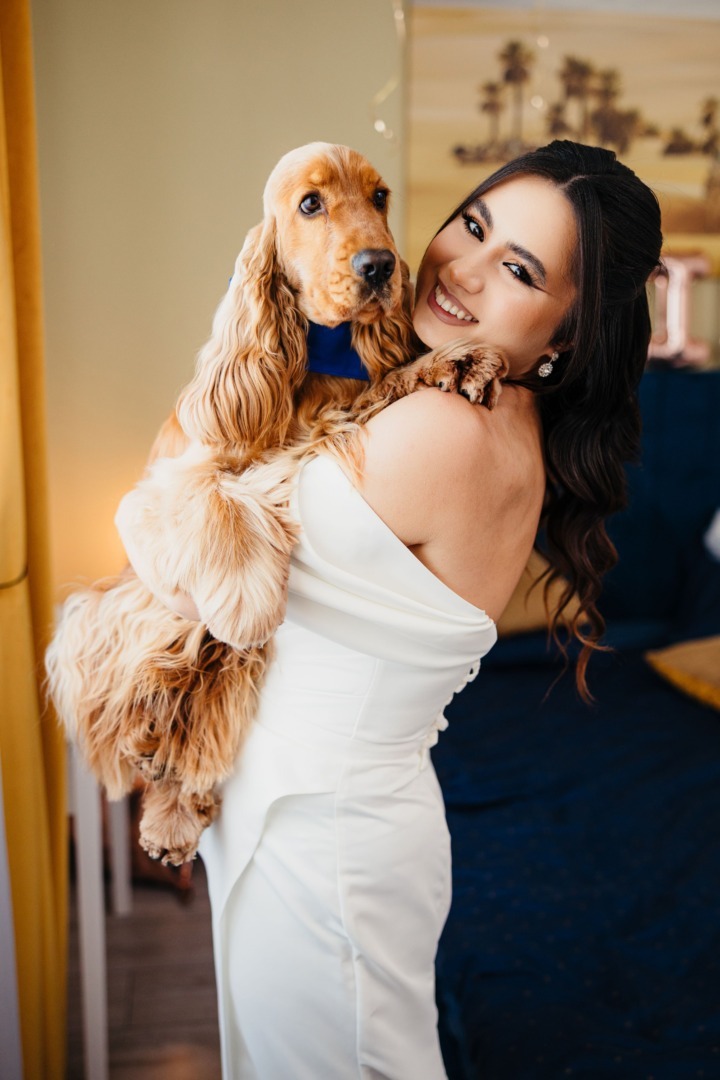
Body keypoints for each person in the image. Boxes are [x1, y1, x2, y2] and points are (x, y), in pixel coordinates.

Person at [119, 140, 662, 1078]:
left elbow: (186, 564)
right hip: (312, 818)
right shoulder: (469, 403)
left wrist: (138, 505)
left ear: (567, 336)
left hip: (323, 843)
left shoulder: (445, 427)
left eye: (520, 270)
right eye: (473, 226)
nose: (462, 269)